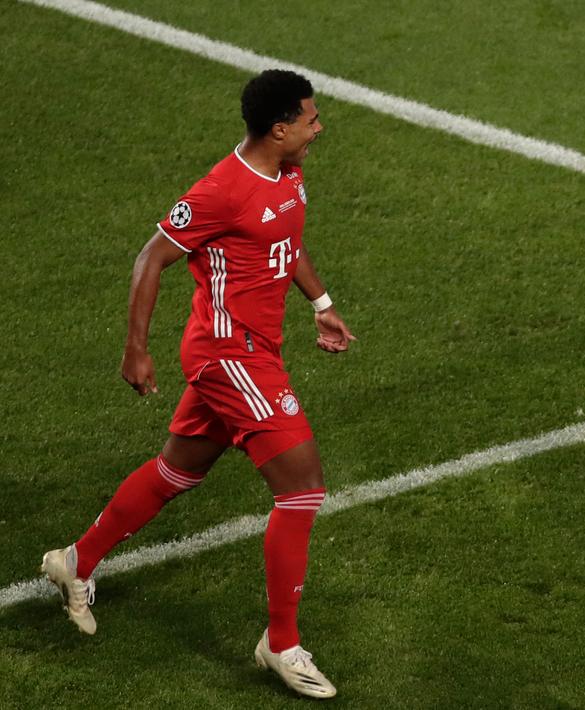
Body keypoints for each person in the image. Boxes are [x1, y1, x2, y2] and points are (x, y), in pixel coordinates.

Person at [40, 69, 354, 699]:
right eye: (311, 118)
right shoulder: (221, 191)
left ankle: (76, 561)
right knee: (302, 489)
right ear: (279, 128)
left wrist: (320, 304)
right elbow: (150, 258)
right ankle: (281, 643)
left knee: (176, 472)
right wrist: (135, 350)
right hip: (228, 355)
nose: (320, 127)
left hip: (255, 350)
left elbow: (285, 241)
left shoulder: (289, 174)